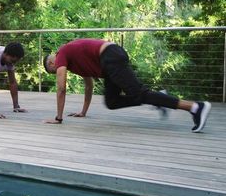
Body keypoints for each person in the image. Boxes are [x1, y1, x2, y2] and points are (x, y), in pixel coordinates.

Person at [42, 38, 211, 132]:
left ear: (51, 62)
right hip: (108, 63)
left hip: (110, 56)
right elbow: (88, 86)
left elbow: (61, 88)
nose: (57, 70)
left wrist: (58, 118)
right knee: (112, 102)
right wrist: (83, 112)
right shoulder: (74, 60)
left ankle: (195, 107)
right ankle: (159, 98)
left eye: (54, 69)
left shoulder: (62, 53)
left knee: (139, 94)